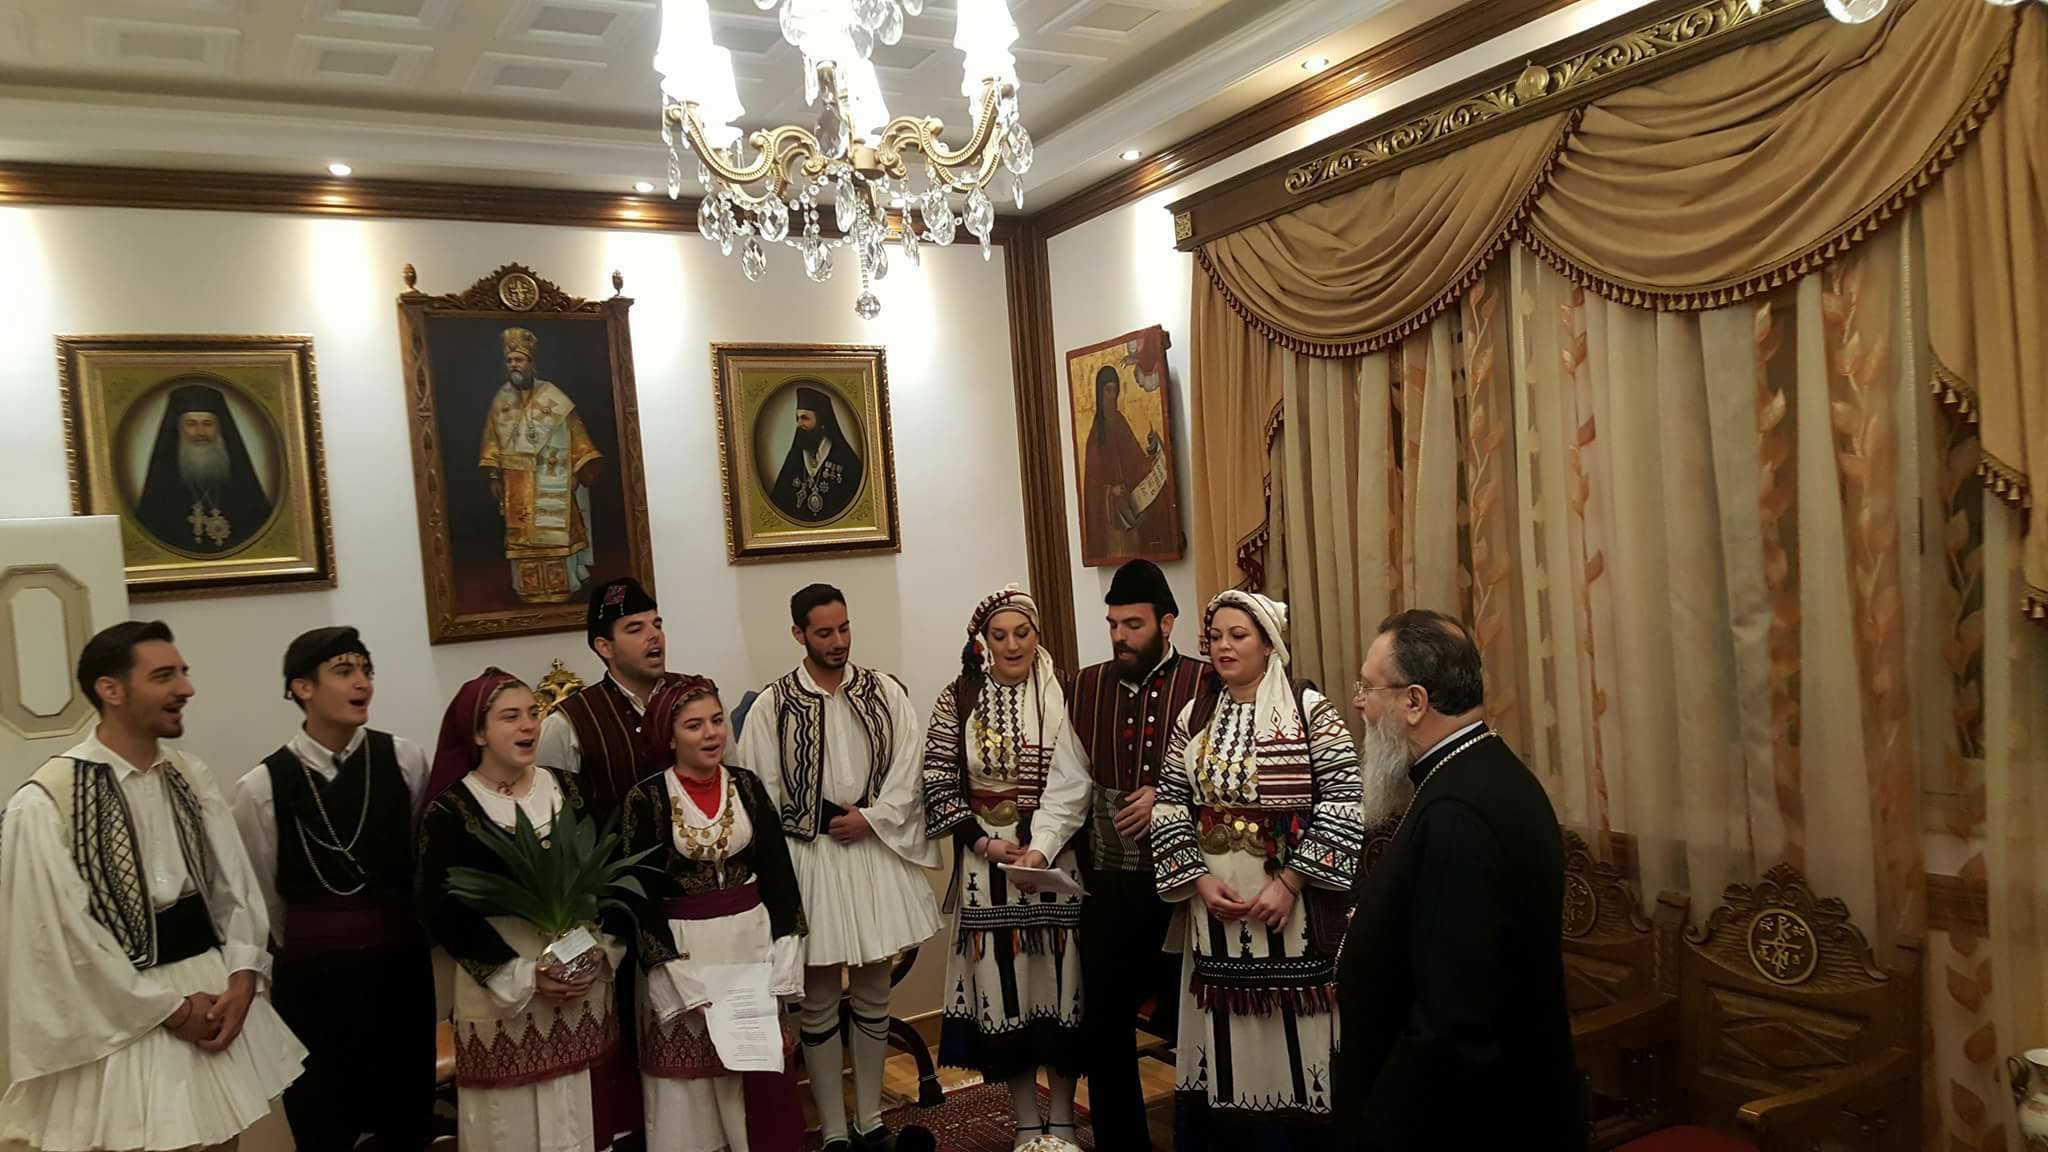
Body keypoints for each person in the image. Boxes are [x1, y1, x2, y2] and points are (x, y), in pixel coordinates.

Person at [1, 620, 305, 1152]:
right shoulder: (45, 801)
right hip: (122, 1009)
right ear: (110, 690)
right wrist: (170, 1011)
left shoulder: (191, 776)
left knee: (222, 1142)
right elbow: (58, 937)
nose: (186, 689)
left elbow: (234, 889)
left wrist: (242, 975)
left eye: (183, 673)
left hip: (211, 991)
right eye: (164, 676)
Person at [1335, 610, 1582, 1150]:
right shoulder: (1477, 774)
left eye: (1368, 687)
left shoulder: (1457, 813)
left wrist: (1379, 1132)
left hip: (1468, 1124)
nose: (1359, 704)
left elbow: (1452, 1020)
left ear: (1414, 701)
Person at [1150, 591, 1362, 1148]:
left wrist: (1291, 883)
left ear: (1269, 644)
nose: (1223, 646)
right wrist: (1197, 880)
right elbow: (1170, 803)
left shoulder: (1310, 708)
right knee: (1228, 1033)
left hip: (1291, 911)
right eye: (1215, 637)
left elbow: (1344, 798)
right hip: (1215, 909)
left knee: (1297, 1030)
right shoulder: (1194, 715)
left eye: (1238, 636)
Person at [733, 584, 939, 1152]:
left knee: (874, 987)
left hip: (871, 845)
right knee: (819, 994)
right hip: (810, 855)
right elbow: (758, 791)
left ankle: (870, 1120)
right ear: (798, 634)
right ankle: (832, 1131)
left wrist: (873, 818)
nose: (838, 641)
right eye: (824, 632)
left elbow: (910, 764)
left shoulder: (883, 691)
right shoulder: (773, 704)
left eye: (844, 628)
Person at [229, 626, 435, 1152]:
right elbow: (263, 897)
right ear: (303, 688)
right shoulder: (261, 787)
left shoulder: (404, 760)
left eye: (366, 670)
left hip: (398, 969)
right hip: (314, 980)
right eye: (344, 671)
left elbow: (417, 856)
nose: (362, 682)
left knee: (406, 1117)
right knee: (323, 1121)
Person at [417, 668, 626, 1152]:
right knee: (510, 1128)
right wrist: (525, 975)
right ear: (477, 733)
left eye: (533, 713)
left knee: (582, 1117)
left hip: (579, 986)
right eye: (510, 716)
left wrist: (598, 951)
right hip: (502, 991)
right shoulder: (451, 812)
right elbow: (443, 909)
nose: (529, 725)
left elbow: (608, 873)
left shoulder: (569, 789)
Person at [921, 586, 1090, 1150]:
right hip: (985, 867)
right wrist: (985, 844)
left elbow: (1081, 779)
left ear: (1038, 634)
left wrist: (1042, 841)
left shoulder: (1067, 691)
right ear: (983, 641)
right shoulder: (958, 697)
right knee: (1004, 987)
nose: (1013, 645)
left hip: (1058, 858)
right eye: (1000, 635)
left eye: (1023, 633)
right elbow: (938, 784)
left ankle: (1062, 1118)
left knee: (1062, 986)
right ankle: (1024, 1120)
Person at [619, 674, 807, 1152]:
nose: (711, 734)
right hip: (687, 953)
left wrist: (786, 946)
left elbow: (779, 875)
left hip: (750, 945)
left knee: (755, 1078)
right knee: (691, 1090)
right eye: (694, 725)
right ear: (668, 737)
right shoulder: (647, 800)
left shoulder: (747, 786)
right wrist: (670, 972)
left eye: (717, 721)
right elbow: (638, 899)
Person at [1063, 560, 1205, 1150]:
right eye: (1113, 624)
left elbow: (1233, 778)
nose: (1120, 636)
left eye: (1134, 625)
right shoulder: (1083, 686)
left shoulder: (1206, 685)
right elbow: (1067, 782)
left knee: (1194, 1019)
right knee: (1104, 1023)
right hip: (1108, 882)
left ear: (1167, 623)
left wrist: (1169, 797)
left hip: (1187, 884)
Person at [480, 326, 603, 604]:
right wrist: (494, 476)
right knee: (524, 536)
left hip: (553, 477)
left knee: (557, 531)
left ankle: (565, 582)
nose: (514, 365)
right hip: (517, 482)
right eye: (509, 360)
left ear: (531, 362)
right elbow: (491, 440)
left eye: (519, 359)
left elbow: (577, 435)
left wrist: (577, 471)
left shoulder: (553, 396)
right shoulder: (501, 400)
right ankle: (529, 587)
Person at [538, 575, 672, 824]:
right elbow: (551, 817)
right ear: (605, 647)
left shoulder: (697, 697)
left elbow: (734, 782)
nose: (654, 635)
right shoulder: (568, 724)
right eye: (636, 629)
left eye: (657, 625)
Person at [131, 381, 275, 554]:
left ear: (219, 429)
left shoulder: (242, 477)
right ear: (179, 429)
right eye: (191, 424)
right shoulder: (162, 481)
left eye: (207, 424)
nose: (200, 432)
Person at [1081, 364, 1174, 561]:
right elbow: (1092, 485)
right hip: (1113, 514)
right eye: (1108, 391)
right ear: (1100, 393)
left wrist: (1152, 450)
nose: (1112, 396)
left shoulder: (1120, 421)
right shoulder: (1096, 435)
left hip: (1130, 502)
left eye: (1115, 391)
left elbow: (1135, 459)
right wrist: (1110, 491)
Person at [769, 382, 865, 524]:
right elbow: (778, 502)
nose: (799, 424)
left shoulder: (846, 459)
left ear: (821, 422)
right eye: (797, 418)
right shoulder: (795, 457)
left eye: (805, 418)